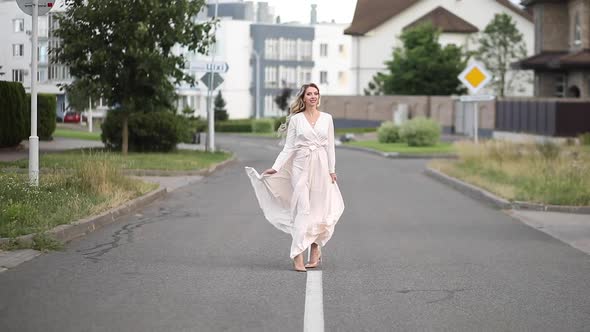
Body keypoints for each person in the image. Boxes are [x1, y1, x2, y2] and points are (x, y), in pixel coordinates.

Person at [245, 83, 345, 272]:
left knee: (320, 208)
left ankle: (315, 249)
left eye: (316, 93)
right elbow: (288, 148)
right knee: (303, 209)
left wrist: (332, 170)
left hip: (322, 167)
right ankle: (297, 255)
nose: (313, 97)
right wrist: (275, 167)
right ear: (303, 98)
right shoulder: (296, 120)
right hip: (300, 167)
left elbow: (330, 146)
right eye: (309, 94)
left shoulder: (327, 118)